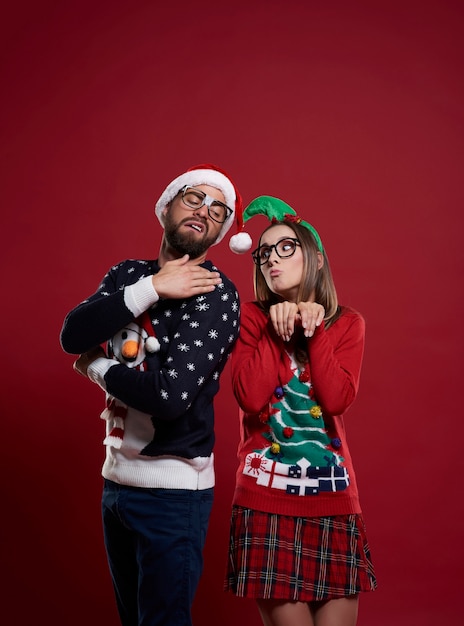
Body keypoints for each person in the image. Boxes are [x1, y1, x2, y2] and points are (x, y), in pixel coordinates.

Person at [60, 164, 246, 626]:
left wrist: (98, 367)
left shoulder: (216, 294)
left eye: (218, 209)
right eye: (194, 198)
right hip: (117, 485)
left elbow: (170, 396)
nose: (205, 210)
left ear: (220, 232)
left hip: (173, 494)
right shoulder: (129, 274)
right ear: (166, 207)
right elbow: (72, 334)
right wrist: (152, 288)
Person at [224, 196, 377, 626]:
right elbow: (250, 399)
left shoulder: (347, 323)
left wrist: (315, 331)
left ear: (315, 257)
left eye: (285, 247)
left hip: (333, 500)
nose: (271, 258)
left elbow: (336, 400)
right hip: (265, 500)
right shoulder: (250, 320)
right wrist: (278, 329)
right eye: (264, 252)